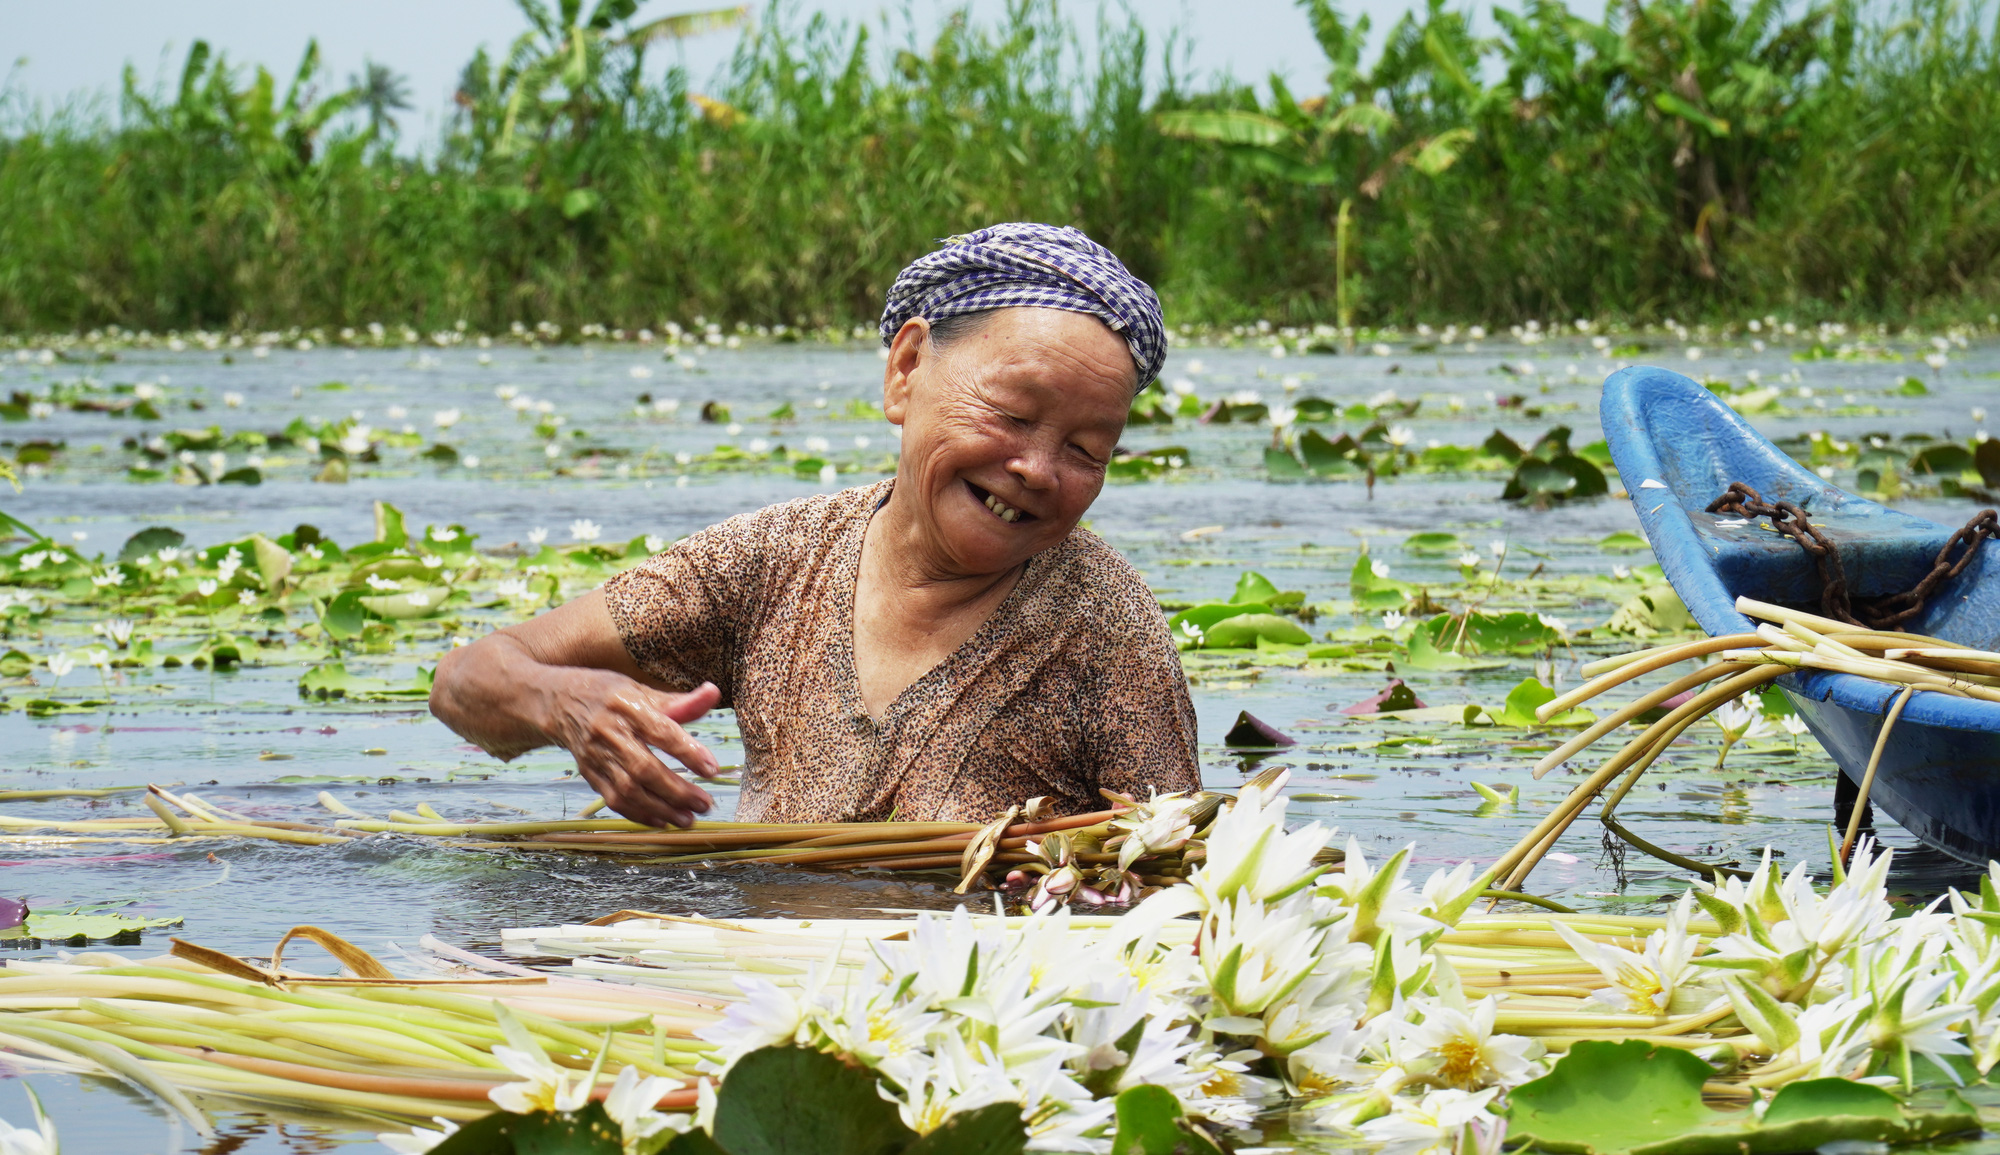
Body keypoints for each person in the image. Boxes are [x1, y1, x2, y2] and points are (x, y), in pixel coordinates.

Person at [429, 223, 1202, 826]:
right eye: (1011, 413)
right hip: (759, 991)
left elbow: (1176, 876)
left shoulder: (1104, 623)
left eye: (1085, 449)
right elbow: (465, 681)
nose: (1038, 468)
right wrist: (566, 704)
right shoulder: (772, 563)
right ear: (906, 371)